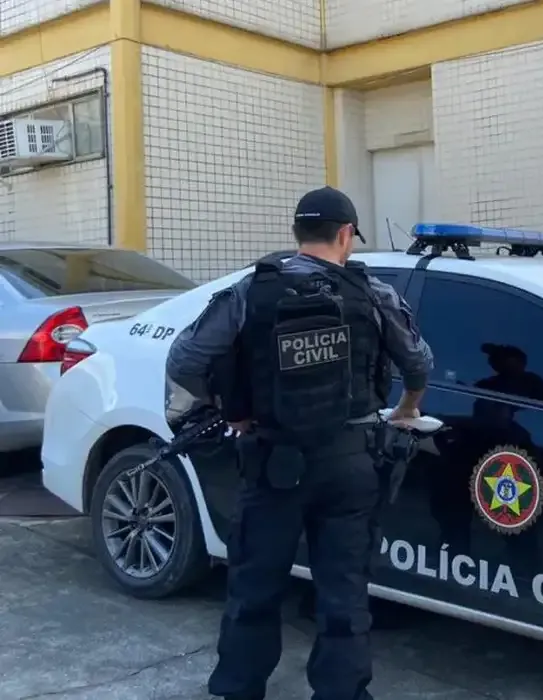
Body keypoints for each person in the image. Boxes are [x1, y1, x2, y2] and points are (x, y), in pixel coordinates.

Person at [165, 186, 433, 700]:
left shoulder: (251, 290)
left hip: (273, 462)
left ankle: (239, 689)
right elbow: (419, 363)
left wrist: (232, 410)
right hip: (351, 463)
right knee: (343, 590)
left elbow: (184, 361)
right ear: (346, 234)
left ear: (296, 233)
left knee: (254, 585)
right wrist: (407, 407)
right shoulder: (372, 293)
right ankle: (342, 692)